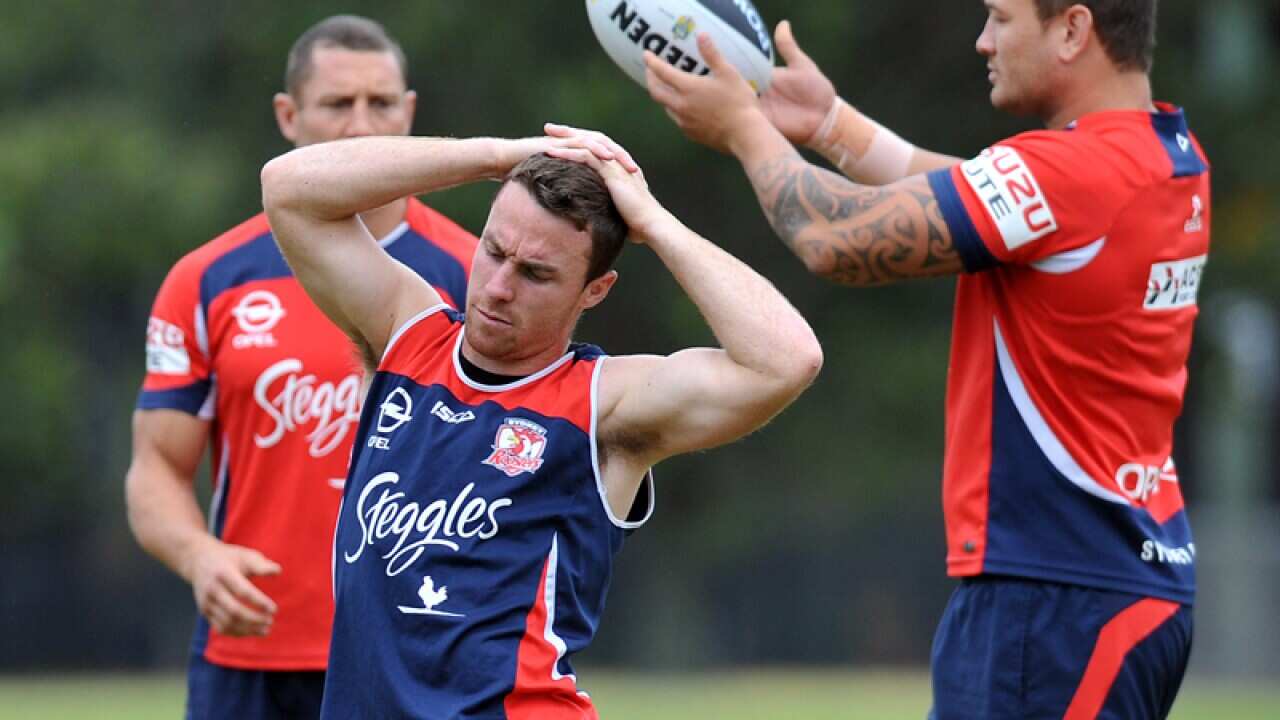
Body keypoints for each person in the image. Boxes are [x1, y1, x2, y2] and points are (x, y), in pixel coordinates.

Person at [643, 1, 1206, 717]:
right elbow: (968, 193)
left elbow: (834, 239)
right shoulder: (1162, 153)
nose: (982, 41)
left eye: (1001, 19)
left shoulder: (1071, 175)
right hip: (1116, 583)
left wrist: (743, 129)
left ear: (1072, 28)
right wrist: (828, 126)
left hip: (1056, 599)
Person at [259, 124, 823, 718]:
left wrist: (652, 222)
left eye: (536, 274)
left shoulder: (603, 404)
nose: (499, 288)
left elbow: (786, 361)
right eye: (494, 252)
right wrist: (498, 157)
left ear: (595, 290)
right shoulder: (407, 335)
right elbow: (288, 187)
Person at [125, 15, 477, 719]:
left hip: (422, 649)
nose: (361, 125)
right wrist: (200, 557)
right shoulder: (208, 280)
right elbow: (156, 469)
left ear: (410, 114)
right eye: (337, 104)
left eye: (381, 104)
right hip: (250, 656)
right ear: (289, 116)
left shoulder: (477, 277)